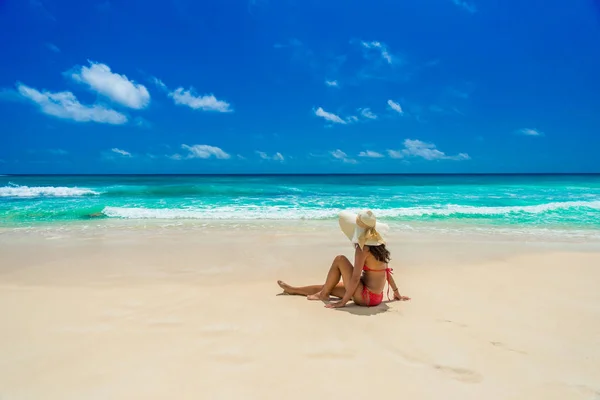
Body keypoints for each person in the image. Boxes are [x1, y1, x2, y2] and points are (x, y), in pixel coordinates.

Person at [277, 210, 410, 308]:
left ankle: (323, 295)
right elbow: (386, 272)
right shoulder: (380, 244)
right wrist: (396, 292)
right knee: (329, 287)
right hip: (377, 297)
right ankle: (293, 290)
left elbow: (356, 277)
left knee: (340, 259)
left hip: (365, 297)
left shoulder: (363, 249)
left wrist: (343, 302)